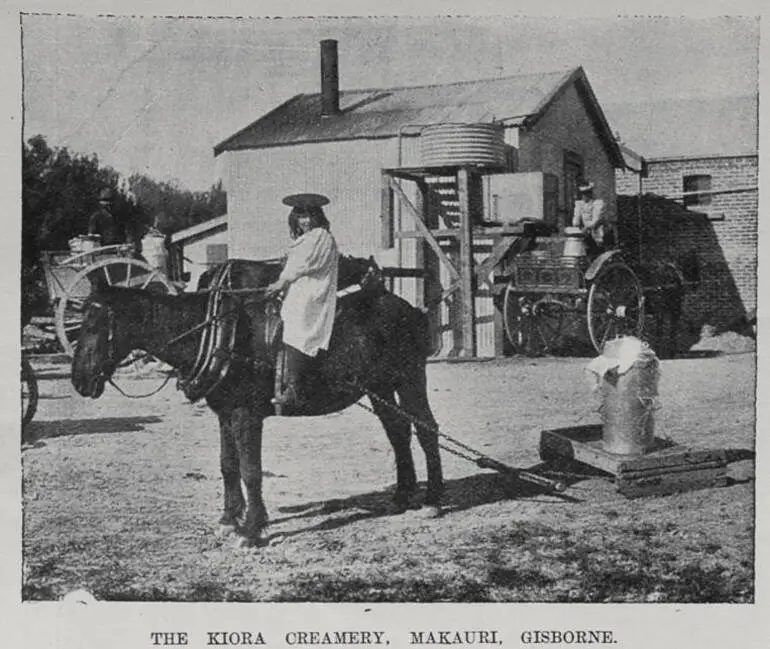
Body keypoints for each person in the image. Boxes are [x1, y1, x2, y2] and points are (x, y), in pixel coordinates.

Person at [266, 193, 339, 410]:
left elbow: (305, 265)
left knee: (297, 326)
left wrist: (282, 282)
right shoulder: (303, 240)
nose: (305, 221)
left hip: (314, 290)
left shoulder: (320, 236)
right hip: (300, 288)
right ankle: (280, 377)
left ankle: (294, 388)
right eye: (301, 217)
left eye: (309, 216)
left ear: (318, 217)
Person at [572, 182, 612, 255]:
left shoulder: (598, 203)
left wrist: (586, 228)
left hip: (599, 232)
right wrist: (576, 227)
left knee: (595, 245)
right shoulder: (580, 204)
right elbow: (576, 221)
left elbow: (596, 220)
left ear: (590, 193)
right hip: (587, 232)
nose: (584, 196)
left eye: (586, 193)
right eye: (582, 194)